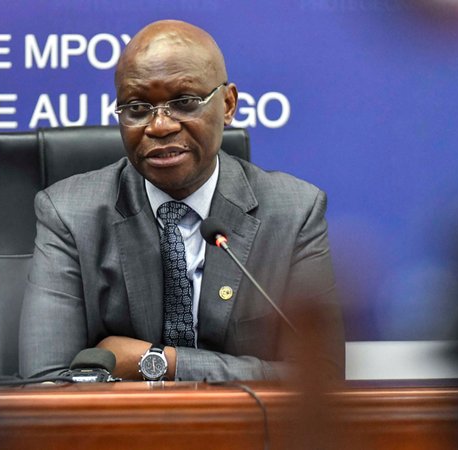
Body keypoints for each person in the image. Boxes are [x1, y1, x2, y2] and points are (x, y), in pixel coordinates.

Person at [19, 19, 344, 381]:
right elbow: (44, 380)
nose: (160, 126)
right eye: (137, 108)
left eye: (185, 102)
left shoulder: (294, 211)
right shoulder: (68, 213)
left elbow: (321, 378)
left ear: (228, 104)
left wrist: (160, 361)